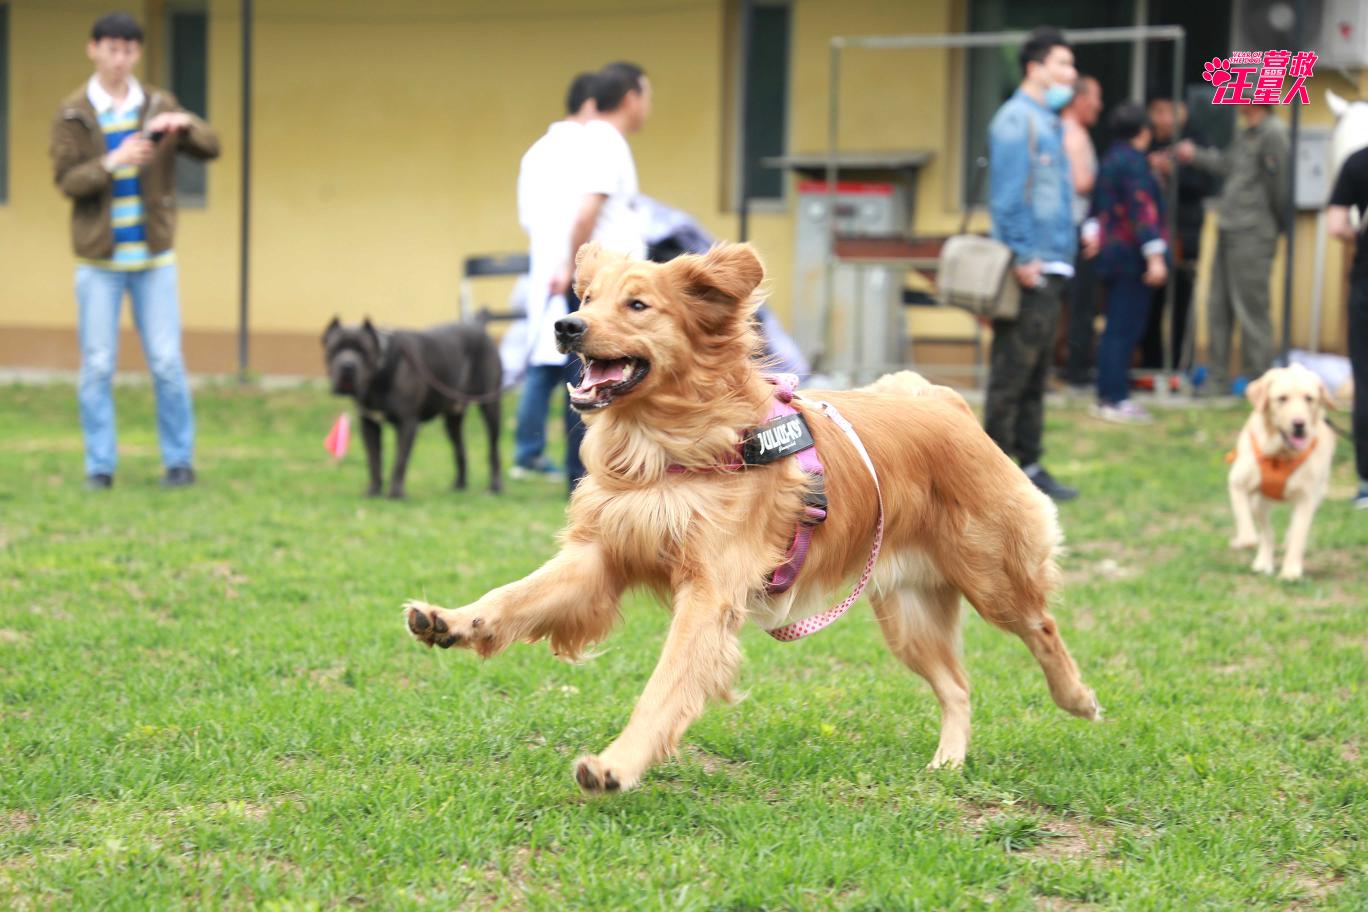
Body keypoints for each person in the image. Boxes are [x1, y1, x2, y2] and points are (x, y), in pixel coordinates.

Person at [49, 12, 219, 491]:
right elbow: (66, 181)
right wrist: (113, 161)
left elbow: (212, 147)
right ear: (93, 49)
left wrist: (183, 123)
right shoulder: (72, 112)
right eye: (111, 48)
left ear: (137, 54)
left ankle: (179, 462)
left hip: (154, 259)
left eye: (128, 50)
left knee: (167, 362)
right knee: (98, 365)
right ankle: (99, 467)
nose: (119, 58)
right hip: (98, 262)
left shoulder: (156, 103)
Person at [985, 26, 1079, 501]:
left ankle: (1031, 465)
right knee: (1011, 373)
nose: (1071, 74)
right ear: (1034, 67)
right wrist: (1024, 256)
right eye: (1062, 64)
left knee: (1036, 375)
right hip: (1031, 266)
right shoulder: (1014, 120)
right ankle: (990, 471)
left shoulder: (1048, 119)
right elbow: (1006, 199)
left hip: (1053, 263)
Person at [512, 72, 598, 482]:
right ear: (592, 105)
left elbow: (528, 218)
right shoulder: (588, 149)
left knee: (543, 365)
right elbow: (585, 216)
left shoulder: (536, 152)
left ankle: (527, 451)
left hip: (545, 262)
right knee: (573, 367)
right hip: (571, 268)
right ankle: (574, 464)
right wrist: (571, 264)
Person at [1176, 104, 1290, 395]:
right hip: (1229, 227)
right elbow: (1227, 165)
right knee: (1218, 306)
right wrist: (1195, 155)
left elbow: (1281, 188)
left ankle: (1260, 383)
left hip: (1253, 232)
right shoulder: (1246, 134)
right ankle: (1217, 378)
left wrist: (1274, 227)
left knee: (1251, 309)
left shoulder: (1273, 134)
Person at [1086, 103, 1169, 423]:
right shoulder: (1135, 164)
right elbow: (1143, 211)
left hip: (1109, 254)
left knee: (1113, 329)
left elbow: (1098, 207)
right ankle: (1116, 397)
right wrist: (1156, 257)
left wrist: (1092, 235)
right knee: (1125, 329)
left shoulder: (1109, 159)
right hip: (1131, 257)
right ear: (1144, 132)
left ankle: (1106, 394)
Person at [1142, 97, 1216, 372]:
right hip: (1149, 236)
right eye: (1157, 111)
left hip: (1185, 234)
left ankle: (1179, 367)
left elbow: (1207, 184)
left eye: (1168, 111)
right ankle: (1150, 365)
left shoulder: (1195, 142)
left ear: (1182, 112)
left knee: (1183, 303)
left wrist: (1173, 172)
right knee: (1150, 304)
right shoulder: (1144, 141)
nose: (1162, 119)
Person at [1325, 149, 1368, 509]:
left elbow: (1336, 226)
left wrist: (1359, 237)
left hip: (1366, 286)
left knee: (1365, 381)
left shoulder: (1357, 162)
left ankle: (1367, 484)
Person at [1060, 75, 1102, 391]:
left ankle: (1072, 366)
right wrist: (1114, 180)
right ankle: (1075, 370)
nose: (1099, 105)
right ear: (1080, 100)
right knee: (1080, 303)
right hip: (1075, 228)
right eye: (1095, 98)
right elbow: (1080, 183)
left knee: (1075, 303)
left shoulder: (1065, 130)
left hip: (1070, 227)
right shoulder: (1073, 135)